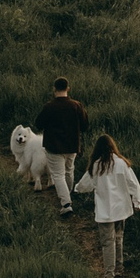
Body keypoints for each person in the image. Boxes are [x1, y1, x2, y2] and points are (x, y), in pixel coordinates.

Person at [74, 134, 140, 278]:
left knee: (108, 242)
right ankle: (119, 268)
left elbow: (84, 185)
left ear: (97, 149)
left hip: (105, 211)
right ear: (113, 147)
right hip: (121, 208)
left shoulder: (96, 166)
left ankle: (109, 276)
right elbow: (133, 184)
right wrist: (137, 201)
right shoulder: (121, 163)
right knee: (119, 237)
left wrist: (77, 189)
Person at [33, 77, 88, 218]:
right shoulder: (76, 105)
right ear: (68, 88)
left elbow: (38, 124)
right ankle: (67, 197)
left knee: (58, 175)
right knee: (69, 171)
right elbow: (85, 126)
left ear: (54, 89)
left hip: (54, 147)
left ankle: (66, 204)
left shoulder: (49, 107)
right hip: (72, 146)